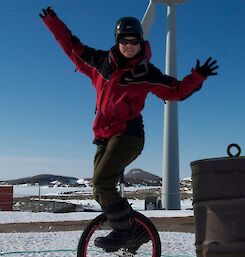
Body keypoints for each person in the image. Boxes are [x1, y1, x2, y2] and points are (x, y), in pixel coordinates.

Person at [39, 7, 218, 250]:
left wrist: (197, 76)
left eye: (135, 41)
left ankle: (123, 232)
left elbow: (175, 91)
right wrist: (52, 21)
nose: (129, 45)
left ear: (141, 43)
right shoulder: (99, 62)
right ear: (118, 41)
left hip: (129, 135)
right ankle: (135, 232)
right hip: (103, 136)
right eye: (125, 40)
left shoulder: (145, 72)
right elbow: (71, 47)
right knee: (99, 191)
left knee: (102, 182)